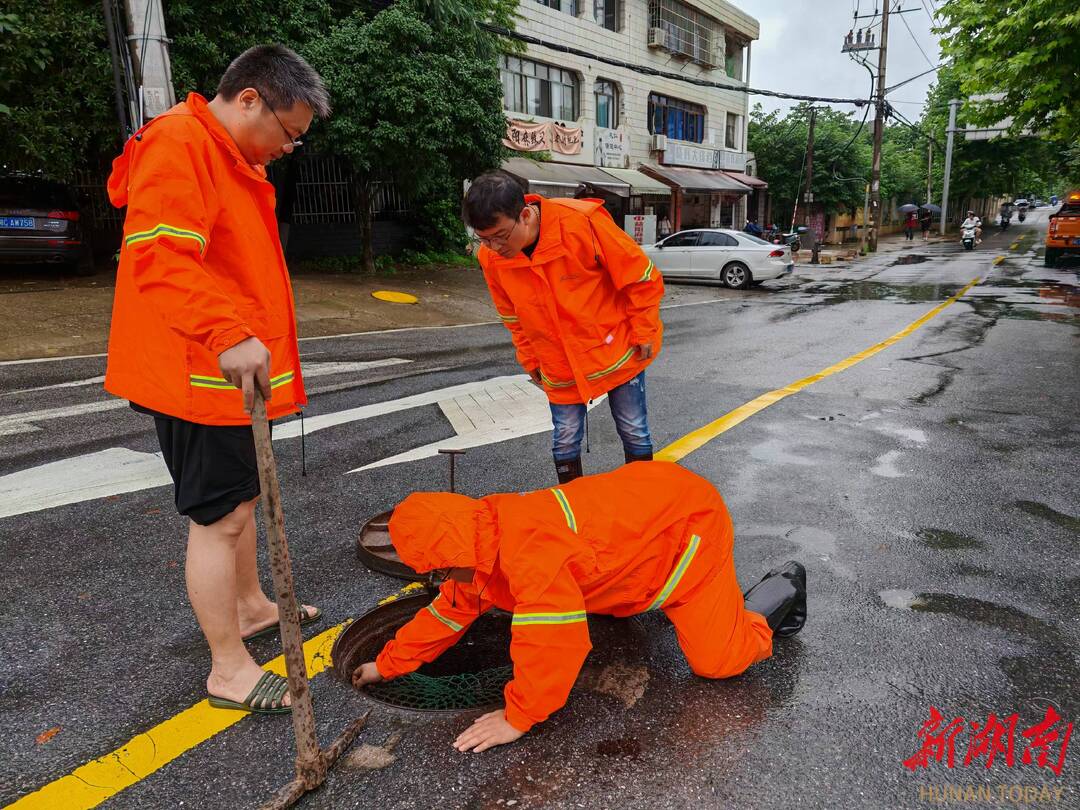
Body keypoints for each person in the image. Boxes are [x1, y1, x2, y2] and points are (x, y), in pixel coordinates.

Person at [104, 45, 330, 714]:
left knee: (242, 500)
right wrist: (229, 334)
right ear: (251, 99)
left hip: (219, 372)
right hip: (198, 370)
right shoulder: (181, 143)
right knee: (219, 518)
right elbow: (164, 256)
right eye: (287, 134)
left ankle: (253, 605)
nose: (288, 149)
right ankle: (228, 669)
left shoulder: (226, 153)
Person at [352, 462, 807, 752]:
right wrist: (386, 666)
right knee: (605, 600)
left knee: (719, 662)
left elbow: (553, 643)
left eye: (438, 573)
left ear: (454, 558)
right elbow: (446, 613)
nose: (440, 583)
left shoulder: (528, 557)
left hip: (687, 533)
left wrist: (518, 717)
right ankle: (643, 594)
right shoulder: (477, 544)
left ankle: (780, 589)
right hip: (640, 518)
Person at [463, 171, 664, 483]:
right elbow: (512, 317)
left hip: (616, 349)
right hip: (557, 361)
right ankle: (573, 510)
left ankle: (643, 500)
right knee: (565, 439)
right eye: (483, 239)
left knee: (633, 429)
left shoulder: (581, 224)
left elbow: (641, 277)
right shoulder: (492, 258)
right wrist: (529, 358)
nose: (493, 247)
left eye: (500, 236)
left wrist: (645, 329)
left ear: (525, 215)